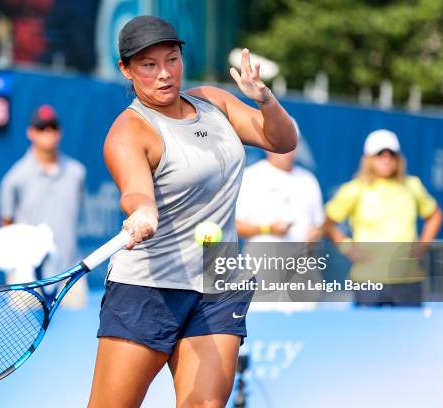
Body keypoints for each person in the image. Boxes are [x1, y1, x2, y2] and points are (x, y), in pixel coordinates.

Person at [89, 15, 297, 407]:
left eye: (172, 59)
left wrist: (264, 98)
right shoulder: (128, 132)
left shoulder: (213, 102)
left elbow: (282, 140)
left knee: (204, 404)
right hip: (149, 288)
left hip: (217, 280)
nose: (165, 74)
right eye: (149, 66)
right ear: (126, 70)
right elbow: (135, 191)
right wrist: (142, 213)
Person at [323, 129, 443, 306]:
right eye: (380, 154)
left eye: (391, 154)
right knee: (367, 333)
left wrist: (422, 246)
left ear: (398, 159)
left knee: (409, 333)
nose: (386, 159)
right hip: (368, 280)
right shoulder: (355, 189)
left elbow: (435, 215)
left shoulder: (412, 185)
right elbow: (327, 223)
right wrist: (348, 248)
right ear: (369, 159)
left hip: (407, 279)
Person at [0, 104, 86, 305]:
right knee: (23, 334)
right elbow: (6, 224)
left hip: (70, 271)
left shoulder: (77, 173)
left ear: (59, 132)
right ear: (31, 133)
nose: (48, 133)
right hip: (27, 276)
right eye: (41, 127)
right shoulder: (15, 177)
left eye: (52, 127)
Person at [235, 137, 324, 243]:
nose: (287, 150)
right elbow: (235, 226)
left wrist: (315, 234)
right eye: (281, 143)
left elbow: (319, 225)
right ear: (268, 147)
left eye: (292, 144)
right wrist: (268, 229)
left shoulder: (309, 179)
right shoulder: (249, 176)